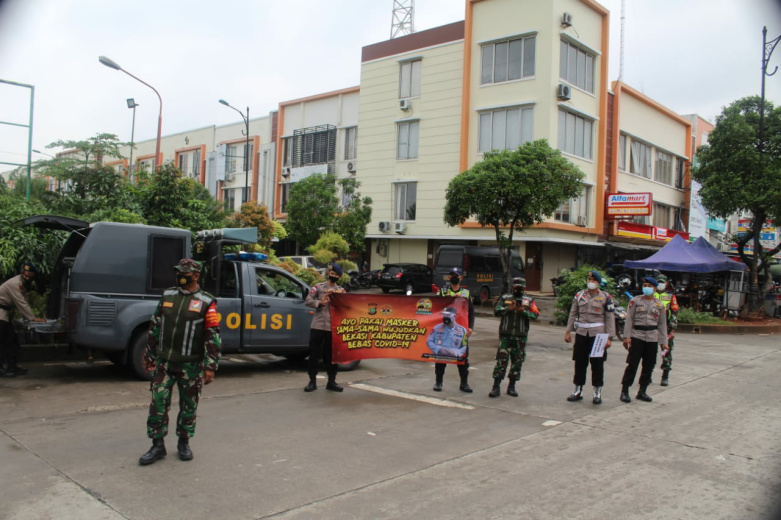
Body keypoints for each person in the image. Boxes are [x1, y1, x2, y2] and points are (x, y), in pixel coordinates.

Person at [139, 259, 221, 466]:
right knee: (157, 403)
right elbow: (155, 326)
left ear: (196, 275)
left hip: (190, 365)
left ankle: (184, 443)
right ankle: (157, 445)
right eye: (178, 272)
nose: (180, 276)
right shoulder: (168, 296)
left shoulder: (207, 301)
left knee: (189, 406)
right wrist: (149, 354)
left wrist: (210, 365)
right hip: (164, 362)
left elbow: (213, 335)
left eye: (185, 273)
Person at [564, 270, 615, 404]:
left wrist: (610, 337)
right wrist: (568, 331)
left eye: (593, 281)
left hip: (598, 335)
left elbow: (610, 318)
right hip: (581, 333)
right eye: (589, 280)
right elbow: (573, 314)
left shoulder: (606, 297)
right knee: (580, 362)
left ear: (598, 283)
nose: (590, 283)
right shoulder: (580, 295)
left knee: (597, 364)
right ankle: (577, 390)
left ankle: (597, 392)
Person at [620, 276, 669, 403]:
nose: (646, 288)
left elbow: (662, 324)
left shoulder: (659, 305)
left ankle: (642, 391)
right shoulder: (635, 301)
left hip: (652, 337)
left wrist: (664, 342)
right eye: (645, 285)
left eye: (649, 286)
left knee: (649, 365)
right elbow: (629, 319)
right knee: (632, 364)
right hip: (637, 336)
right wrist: (627, 337)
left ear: (654, 288)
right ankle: (625, 390)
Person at [489, 277, 539, 398]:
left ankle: (512, 386)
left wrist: (524, 312)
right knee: (501, 361)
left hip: (520, 336)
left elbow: (535, 315)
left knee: (517, 362)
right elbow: (496, 311)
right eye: (516, 287)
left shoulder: (529, 300)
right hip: (506, 335)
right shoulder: (505, 298)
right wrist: (508, 309)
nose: (518, 290)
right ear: (512, 287)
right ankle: (496, 386)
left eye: (520, 288)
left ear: (524, 288)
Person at [304, 263, 347, 392]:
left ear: (339, 277)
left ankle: (332, 381)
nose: (333, 276)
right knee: (314, 354)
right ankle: (312, 381)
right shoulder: (318, 287)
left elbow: (346, 307)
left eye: (336, 275)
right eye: (331, 274)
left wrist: (337, 297)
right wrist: (320, 302)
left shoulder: (342, 291)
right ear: (328, 273)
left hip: (332, 327)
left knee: (331, 356)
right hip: (317, 326)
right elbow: (307, 301)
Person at [0, 262, 46, 377]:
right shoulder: (15, 284)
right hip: (1, 314)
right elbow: (21, 303)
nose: (28, 276)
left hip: (4, 315)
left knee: (12, 340)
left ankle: (12, 367)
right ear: (23, 273)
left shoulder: (23, 284)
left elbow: (23, 300)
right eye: (27, 273)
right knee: (2, 342)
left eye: (30, 274)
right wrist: (32, 318)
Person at [433, 267, 474, 393]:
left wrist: (471, 327)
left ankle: (464, 383)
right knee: (441, 356)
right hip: (444, 330)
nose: (454, 277)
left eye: (456, 275)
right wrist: (450, 299)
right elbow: (436, 308)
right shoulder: (443, 292)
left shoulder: (466, 293)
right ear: (449, 278)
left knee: (462, 357)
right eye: (451, 275)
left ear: (461, 277)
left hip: (460, 330)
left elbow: (471, 312)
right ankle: (438, 382)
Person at [654, 275, 679, 386]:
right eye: (658, 282)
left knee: (666, 352)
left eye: (662, 282)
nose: (660, 284)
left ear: (667, 283)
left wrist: (673, 330)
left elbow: (674, 313)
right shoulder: (650, 294)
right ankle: (647, 374)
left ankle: (665, 376)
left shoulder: (670, 296)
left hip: (666, 328)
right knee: (649, 353)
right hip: (652, 327)